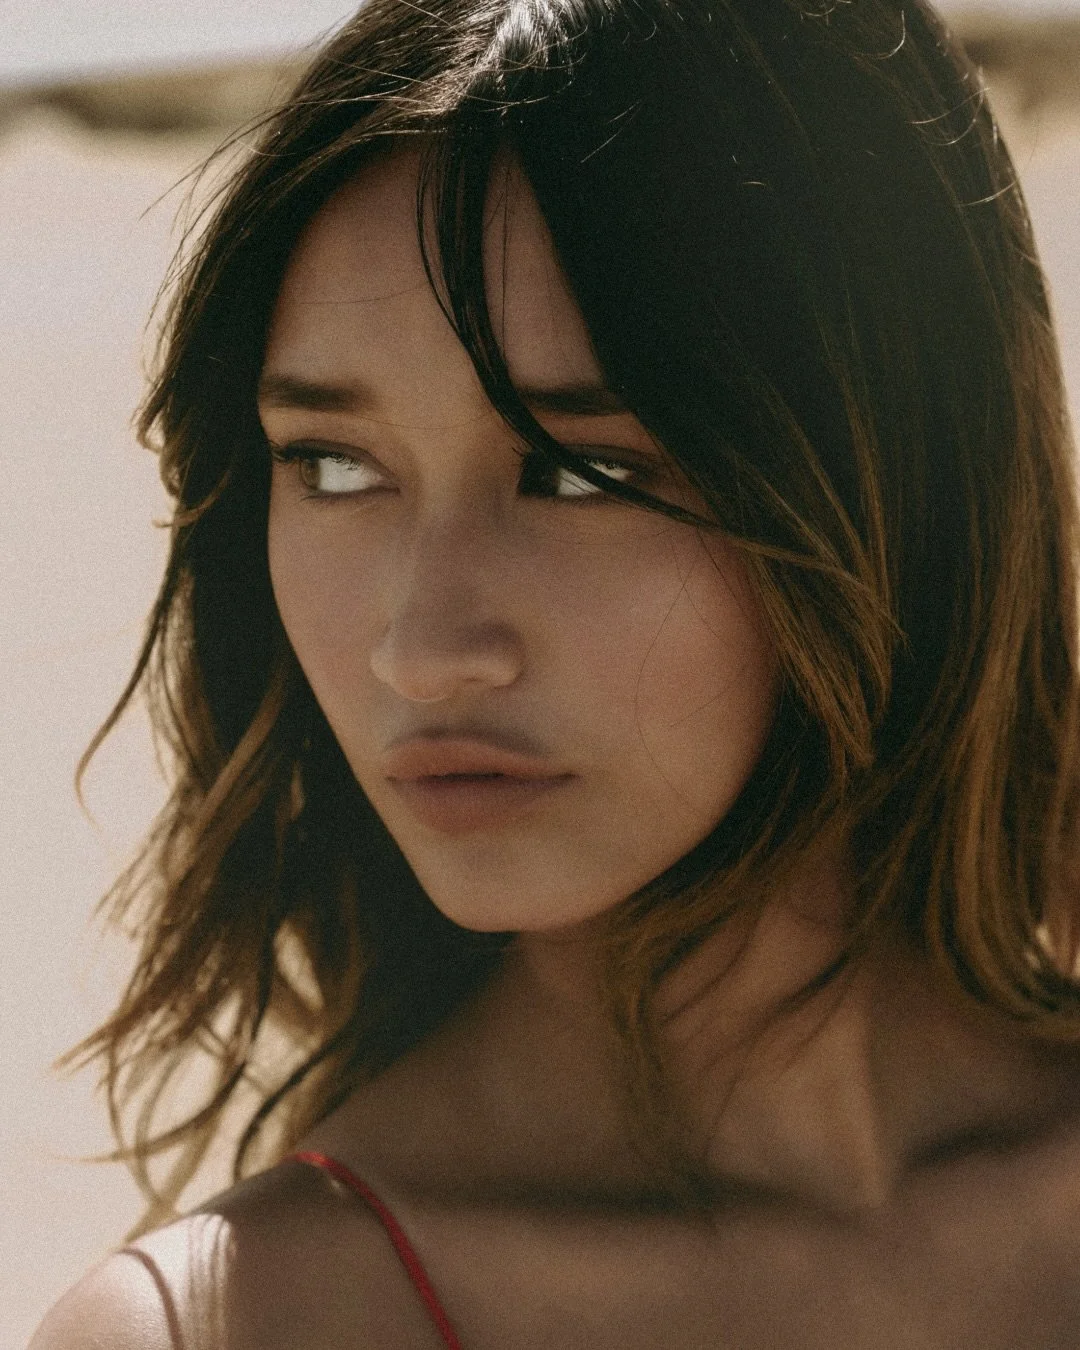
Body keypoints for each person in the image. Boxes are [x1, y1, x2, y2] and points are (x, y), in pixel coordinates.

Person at [29, 0, 1080, 1344]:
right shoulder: (233, 1326)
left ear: (897, 480)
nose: (420, 646)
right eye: (333, 465)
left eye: (582, 470)